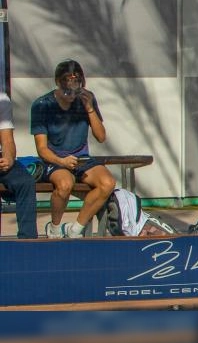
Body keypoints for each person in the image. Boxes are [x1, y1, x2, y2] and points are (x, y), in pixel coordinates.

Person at [30, 59, 116, 238]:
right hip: (54, 158)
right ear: (57, 83)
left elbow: (101, 137)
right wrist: (61, 161)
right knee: (64, 184)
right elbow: (42, 149)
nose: (70, 93)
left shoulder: (87, 98)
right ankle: (54, 227)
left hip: (81, 158)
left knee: (107, 183)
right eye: (66, 86)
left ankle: (75, 228)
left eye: (75, 85)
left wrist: (90, 108)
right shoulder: (42, 105)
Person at [0, 90, 39, 239]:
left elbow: (7, 140)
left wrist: (9, 159)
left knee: (25, 181)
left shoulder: (2, 99)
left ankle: (28, 240)